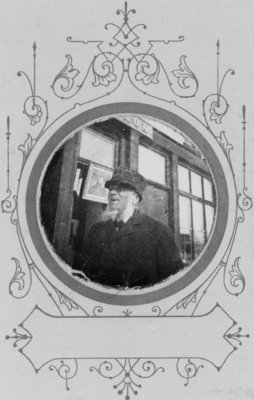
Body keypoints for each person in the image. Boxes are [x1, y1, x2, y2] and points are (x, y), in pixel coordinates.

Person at [80, 167, 184, 288]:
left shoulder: (158, 232)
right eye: (111, 188)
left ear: (135, 197)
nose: (113, 192)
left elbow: (174, 283)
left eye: (121, 188)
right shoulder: (96, 230)